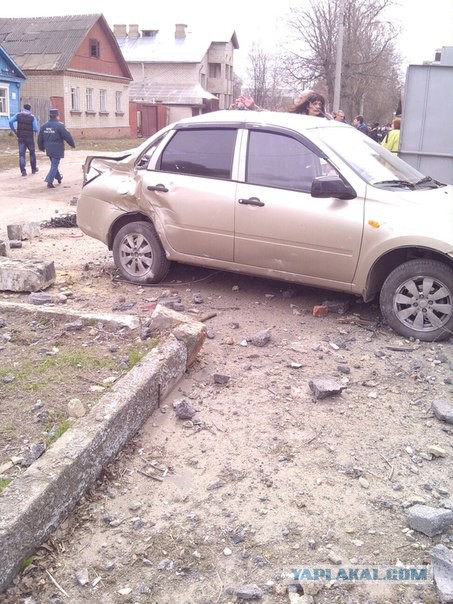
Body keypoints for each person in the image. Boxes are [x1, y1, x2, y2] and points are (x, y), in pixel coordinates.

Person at [38, 108, 75, 189]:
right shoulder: (60, 125)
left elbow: (40, 138)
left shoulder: (44, 126)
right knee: (54, 164)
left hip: (48, 149)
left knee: (54, 164)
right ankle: (49, 181)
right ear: (57, 116)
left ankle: (58, 178)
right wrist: (72, 144)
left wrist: (41, 147)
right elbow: (67, 136)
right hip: (57, 148)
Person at [234, 90, 329, 118]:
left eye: (319, 104)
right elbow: (272, 116)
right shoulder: (296, 118)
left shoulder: (326, 120)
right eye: (314, 103)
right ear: (307, 105)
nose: (317, 107)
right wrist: (253, 107)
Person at [9, 103, 39, 176]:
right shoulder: (32, 117)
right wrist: (33, 130)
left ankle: (23, 171)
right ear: (30, 109)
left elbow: (10, 121)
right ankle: (33, 169)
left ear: (23, 108)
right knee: (32, 154)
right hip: (29, 138)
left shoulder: (18, 115)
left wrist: (14, 131)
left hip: (21, 137)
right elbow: (36, 129)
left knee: (22, 155)